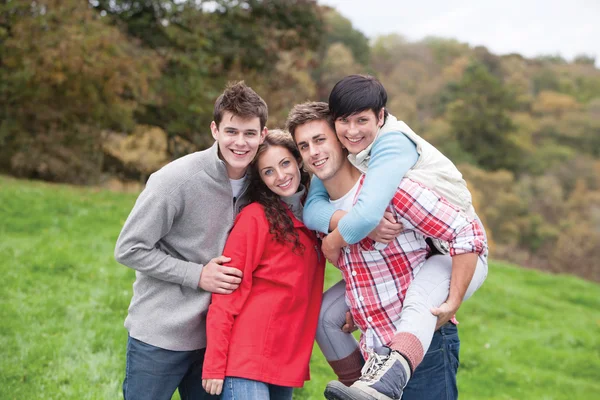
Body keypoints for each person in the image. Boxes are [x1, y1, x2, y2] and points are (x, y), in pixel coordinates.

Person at [287, 101, 488, 400]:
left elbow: (468, 232)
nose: (313, 152)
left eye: (320, 140)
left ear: (342, 142)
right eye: (304, 146)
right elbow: (359, 273)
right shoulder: (321, 214)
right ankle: (362, 389)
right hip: (375, 349)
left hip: (426, 347)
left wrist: (454, 300)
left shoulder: (391, 189)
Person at [114, 81, 268, 400]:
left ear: (263, 135)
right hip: (160, 336)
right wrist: (198, 275)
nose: (240, 142)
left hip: (216, 341)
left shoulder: (262, 184)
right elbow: (129, 248)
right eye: (231, 131)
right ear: (215, 130)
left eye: (250, 133)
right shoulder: (175, 180)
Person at [201, 129, 325, 400]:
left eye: (284, 164)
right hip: (246, 358)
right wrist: (214, 363)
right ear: (260, 179)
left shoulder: (316, 216)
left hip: (285, 359)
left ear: (297, 160)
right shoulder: (255, 218)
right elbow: (226, 293)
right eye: (268, 171)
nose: (280, 176)